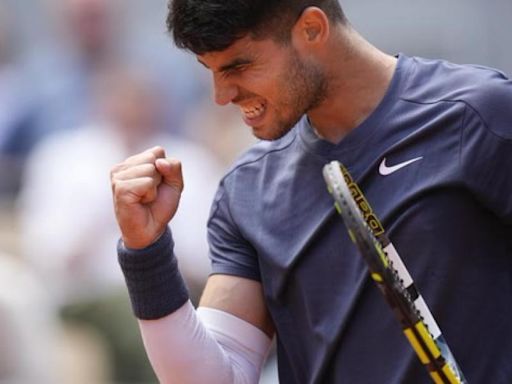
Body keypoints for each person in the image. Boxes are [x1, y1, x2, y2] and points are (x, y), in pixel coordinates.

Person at [110, 1, 512, 382]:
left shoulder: (479, 116)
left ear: (312, 29)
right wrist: (146, 252)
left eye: (240, 66)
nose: (221, 96)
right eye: (209, 70)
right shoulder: (246, 191)